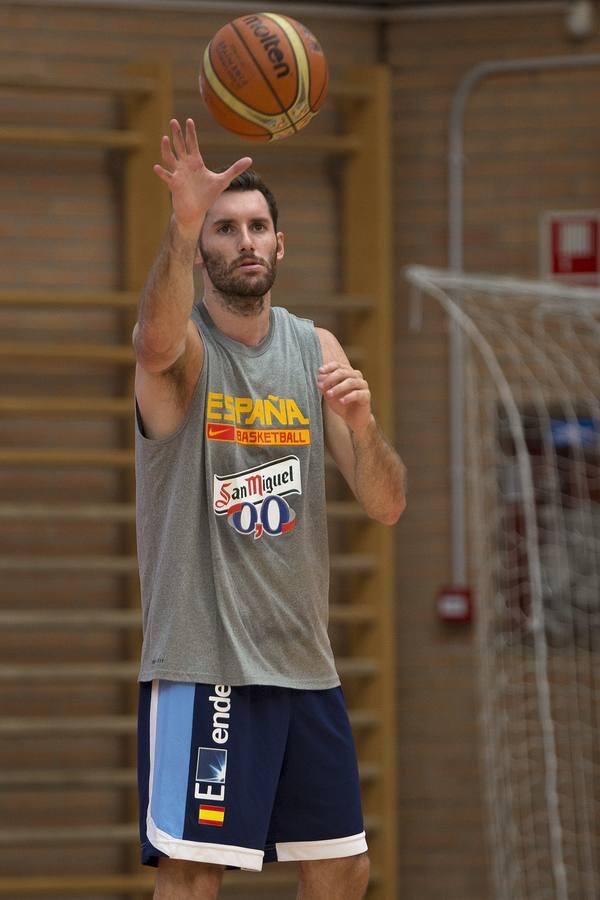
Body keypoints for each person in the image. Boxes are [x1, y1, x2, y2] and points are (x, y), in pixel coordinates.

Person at [133, 117, 406, 900]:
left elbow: (386, 504)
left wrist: (363, 426)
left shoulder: (316, 351)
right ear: (202, 251)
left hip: (303, 665)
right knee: (194, 875)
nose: (244, 241)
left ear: (280, 246)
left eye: (257, 227)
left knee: (344, 868)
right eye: (224, 229)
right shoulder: (186, 353)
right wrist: (181, 225)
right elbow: (153, 343)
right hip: (206, 664)